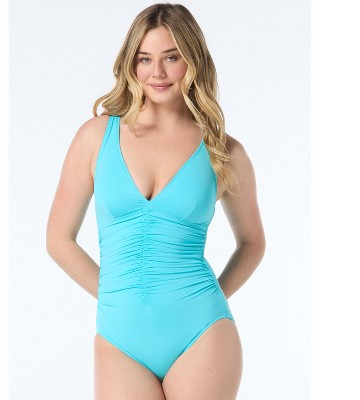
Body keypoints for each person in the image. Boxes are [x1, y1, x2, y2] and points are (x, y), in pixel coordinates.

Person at [46, 3, 266, 399]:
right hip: (120, 339)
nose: (157, 72)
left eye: (171, 57)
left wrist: (208, 298)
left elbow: (252, 243)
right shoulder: (95, 136)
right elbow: (58, 239)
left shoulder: (224, 151)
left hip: (202, 332)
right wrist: (113, 296)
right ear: (130, 63)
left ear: (193, 61)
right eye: (145, 58)